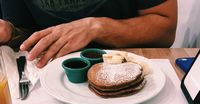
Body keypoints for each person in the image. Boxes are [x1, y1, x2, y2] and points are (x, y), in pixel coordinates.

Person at [0, 0, 177, 68]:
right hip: (51, 78)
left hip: (131, 66)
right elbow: (25, 33)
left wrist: (96, 27)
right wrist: (9, 33)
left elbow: (165, 30)